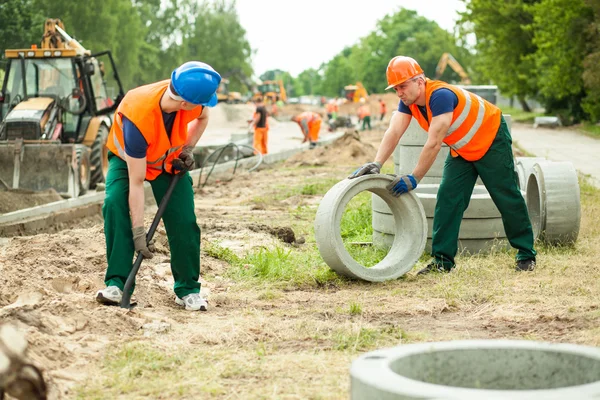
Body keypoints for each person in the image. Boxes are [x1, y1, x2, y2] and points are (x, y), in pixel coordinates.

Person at [349, 55, 537, 274]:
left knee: (505, 196)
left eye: (402, 86)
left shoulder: (440, 96)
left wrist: (415, 177)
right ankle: (442, 262)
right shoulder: (409, 102)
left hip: (491, 140)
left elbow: (434, 142)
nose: (399, 92)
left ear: (419, 81)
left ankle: (526, 255)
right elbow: (394, 131)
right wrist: (376, 163)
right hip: (463, 149)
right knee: (448, 199)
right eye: (395, 88)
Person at [95, 61, 221, 311]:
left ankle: (187, 290)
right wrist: (139, 232)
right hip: (128, 162)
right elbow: (136, 182)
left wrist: (187, 148)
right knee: (114, 204)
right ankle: (117, 284)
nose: (204, 105)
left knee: (184, 218)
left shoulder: (189, 98)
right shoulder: (137, 117)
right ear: (184, 102)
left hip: (167, 160)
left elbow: (204, 116)